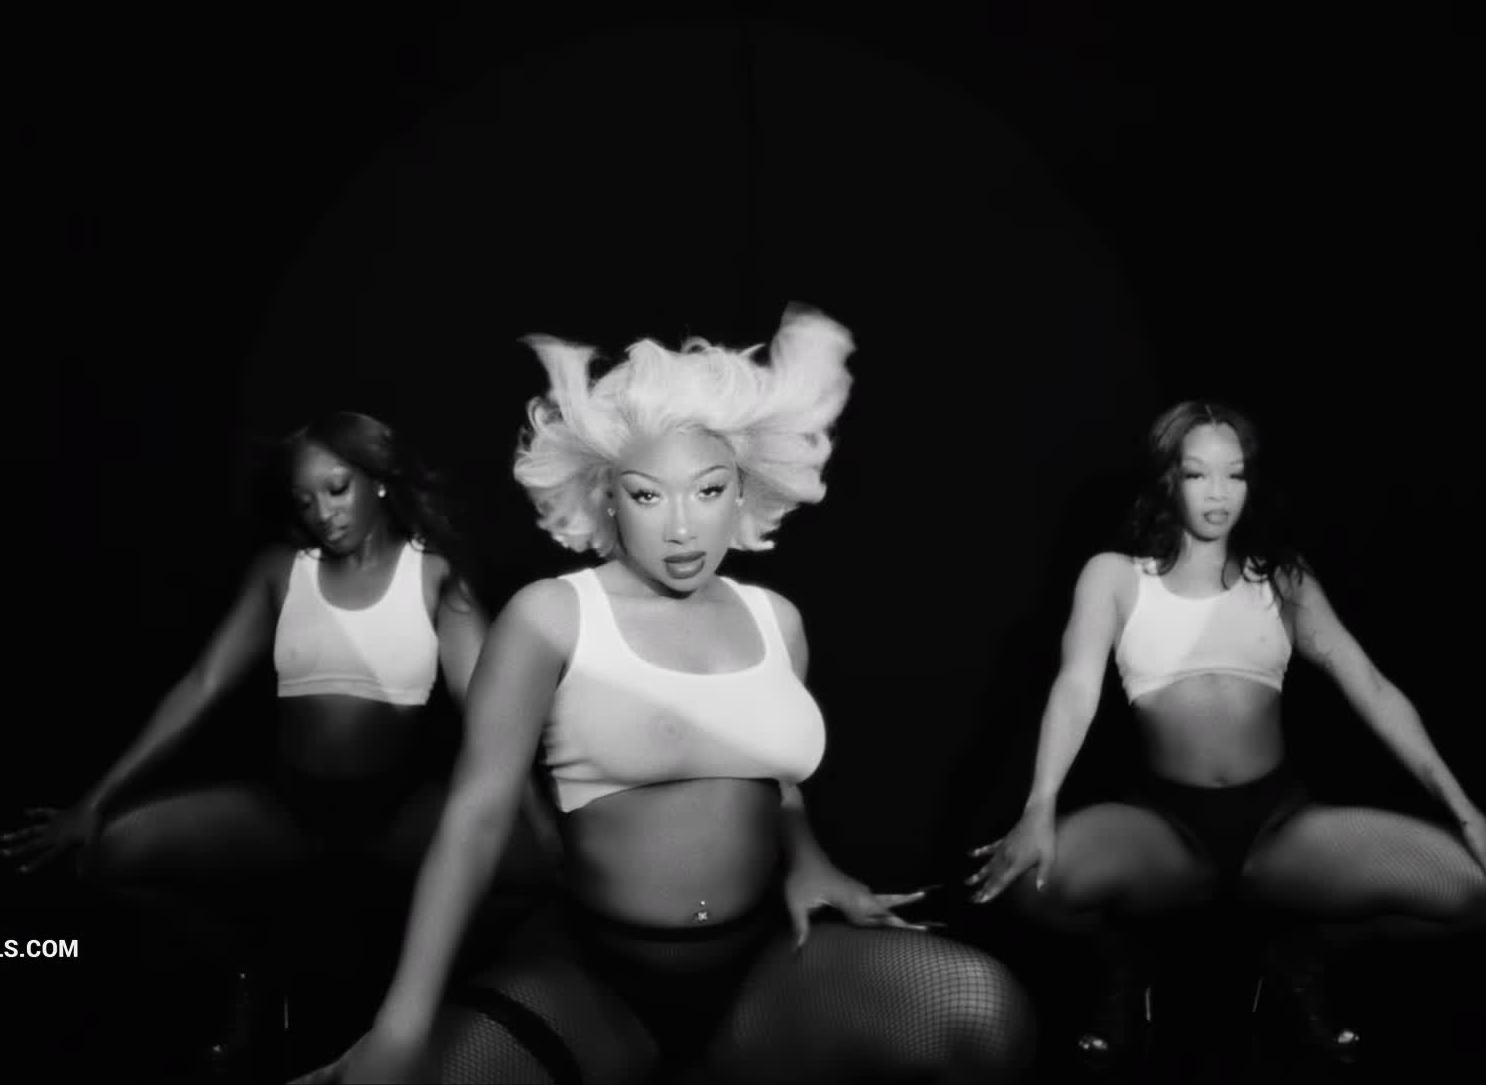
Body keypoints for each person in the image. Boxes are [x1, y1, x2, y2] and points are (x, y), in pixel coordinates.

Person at [298, 308, 1036, 1084]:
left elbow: (773, 775)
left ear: (742, 488)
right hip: (596, 980)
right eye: (648, 495)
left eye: (708, 489)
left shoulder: (776, 619)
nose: (683, 528)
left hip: (758, 967)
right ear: (607, 495)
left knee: (987, 1013)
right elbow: (476, 817)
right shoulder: (551, 616)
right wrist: (401, 1025)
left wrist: (809, 860)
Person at [966, 400, 1486, 1068]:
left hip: (1279, 828)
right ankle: (1127, 968)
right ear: (1167, 478)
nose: (1219, 493)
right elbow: (1075, 690)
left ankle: (1301, 958)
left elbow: (1372, 688)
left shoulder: (1281, 576)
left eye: (1235, 474)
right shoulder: (1116, 577)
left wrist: (1466, 811)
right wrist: (1039, 807)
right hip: (1165, 829)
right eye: (1198, 474)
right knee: (1028, 883)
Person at [0, 410, 556, 1071]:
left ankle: (434, 1007)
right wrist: (93, 802)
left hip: (397, 815)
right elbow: (200, 686)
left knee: (549, 878)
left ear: (377, 481)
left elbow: (496, 719)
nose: (322, 513)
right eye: (304, 499)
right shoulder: (282, 571)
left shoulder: (434, 576)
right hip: (289, 811)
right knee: (106, 855)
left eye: (337, 488)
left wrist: (545, 827)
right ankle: (246, 973)